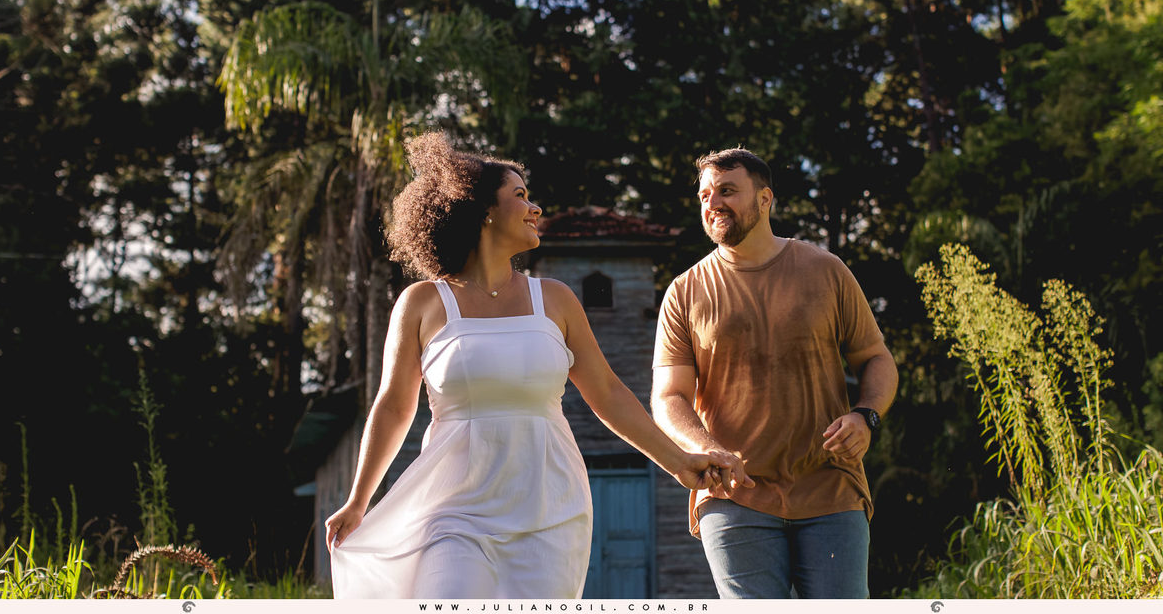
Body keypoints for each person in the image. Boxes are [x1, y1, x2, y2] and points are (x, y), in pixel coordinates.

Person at [326, 132, 747, 599]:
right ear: (482, 209)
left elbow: (607, 394)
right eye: (520, 196)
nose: (535, 208)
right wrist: (358, 500)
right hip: (453, 508)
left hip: (549, 505)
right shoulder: (423, 303)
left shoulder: (555, 300)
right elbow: (393, 406)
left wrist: (678, 461)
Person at [650, 147, 899, 599]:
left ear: (765, 199)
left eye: (728, 191)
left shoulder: (827, 271)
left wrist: (867, 415)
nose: (713, 203)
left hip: (830, 488)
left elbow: (876, 358)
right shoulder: (684, 292)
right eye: (706, 194)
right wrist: (707, 448)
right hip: (733, 497)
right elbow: (668, 397)